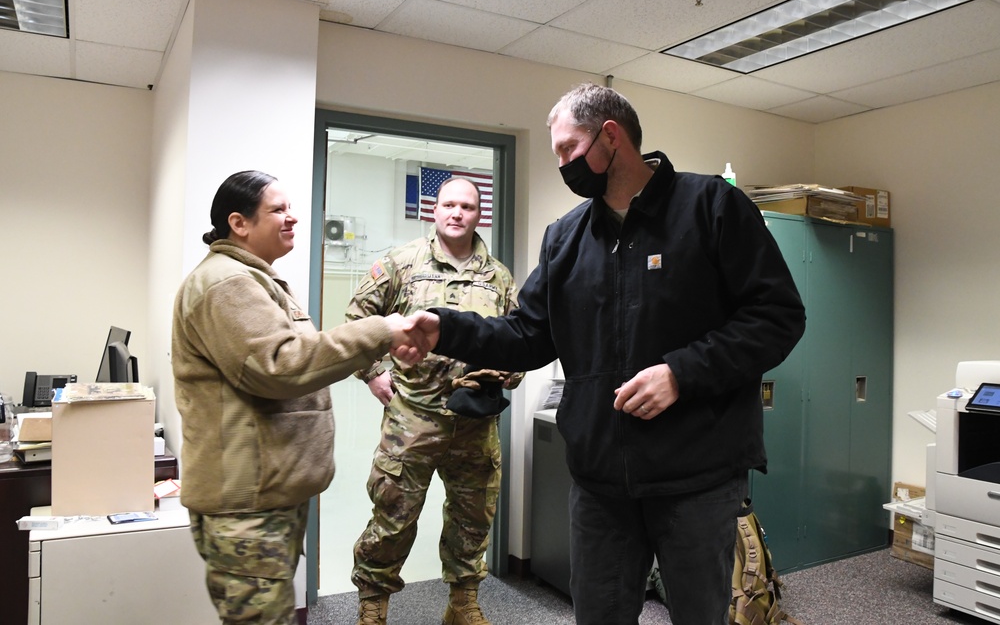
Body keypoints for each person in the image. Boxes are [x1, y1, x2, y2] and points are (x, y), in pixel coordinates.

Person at [409, 83, 807, 625]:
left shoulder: (711, 206)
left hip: (696, 477)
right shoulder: (566, 237)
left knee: (698, 616)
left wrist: (681, 373)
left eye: (568, 150)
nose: (563, 166)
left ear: (611, 137)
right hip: (600, 483)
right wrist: (443, 329)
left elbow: (777, 317)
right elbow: (528, 334)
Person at [172, 170, 426, 625]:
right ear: (239, 222)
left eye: (291, 209)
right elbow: (281, 366)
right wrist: (381, 329)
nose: (292, 219)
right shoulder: (226, 283)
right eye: (278, 210)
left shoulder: (253, 279)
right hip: (247, 504)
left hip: (267, 494)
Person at [347, 177, 522, 625]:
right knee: (392, 516)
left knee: (472, 520)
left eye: (466, 206)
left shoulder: (498, 277)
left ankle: (462, 604)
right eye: (449, 204)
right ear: (435, 210)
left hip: (475, 424)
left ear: (478, 214)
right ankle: (373, 605)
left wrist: (506, 374)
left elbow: (521, 341)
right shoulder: (402, 263)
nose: (456, 213)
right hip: (413, 419)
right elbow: (358, 319)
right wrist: (372, 373)